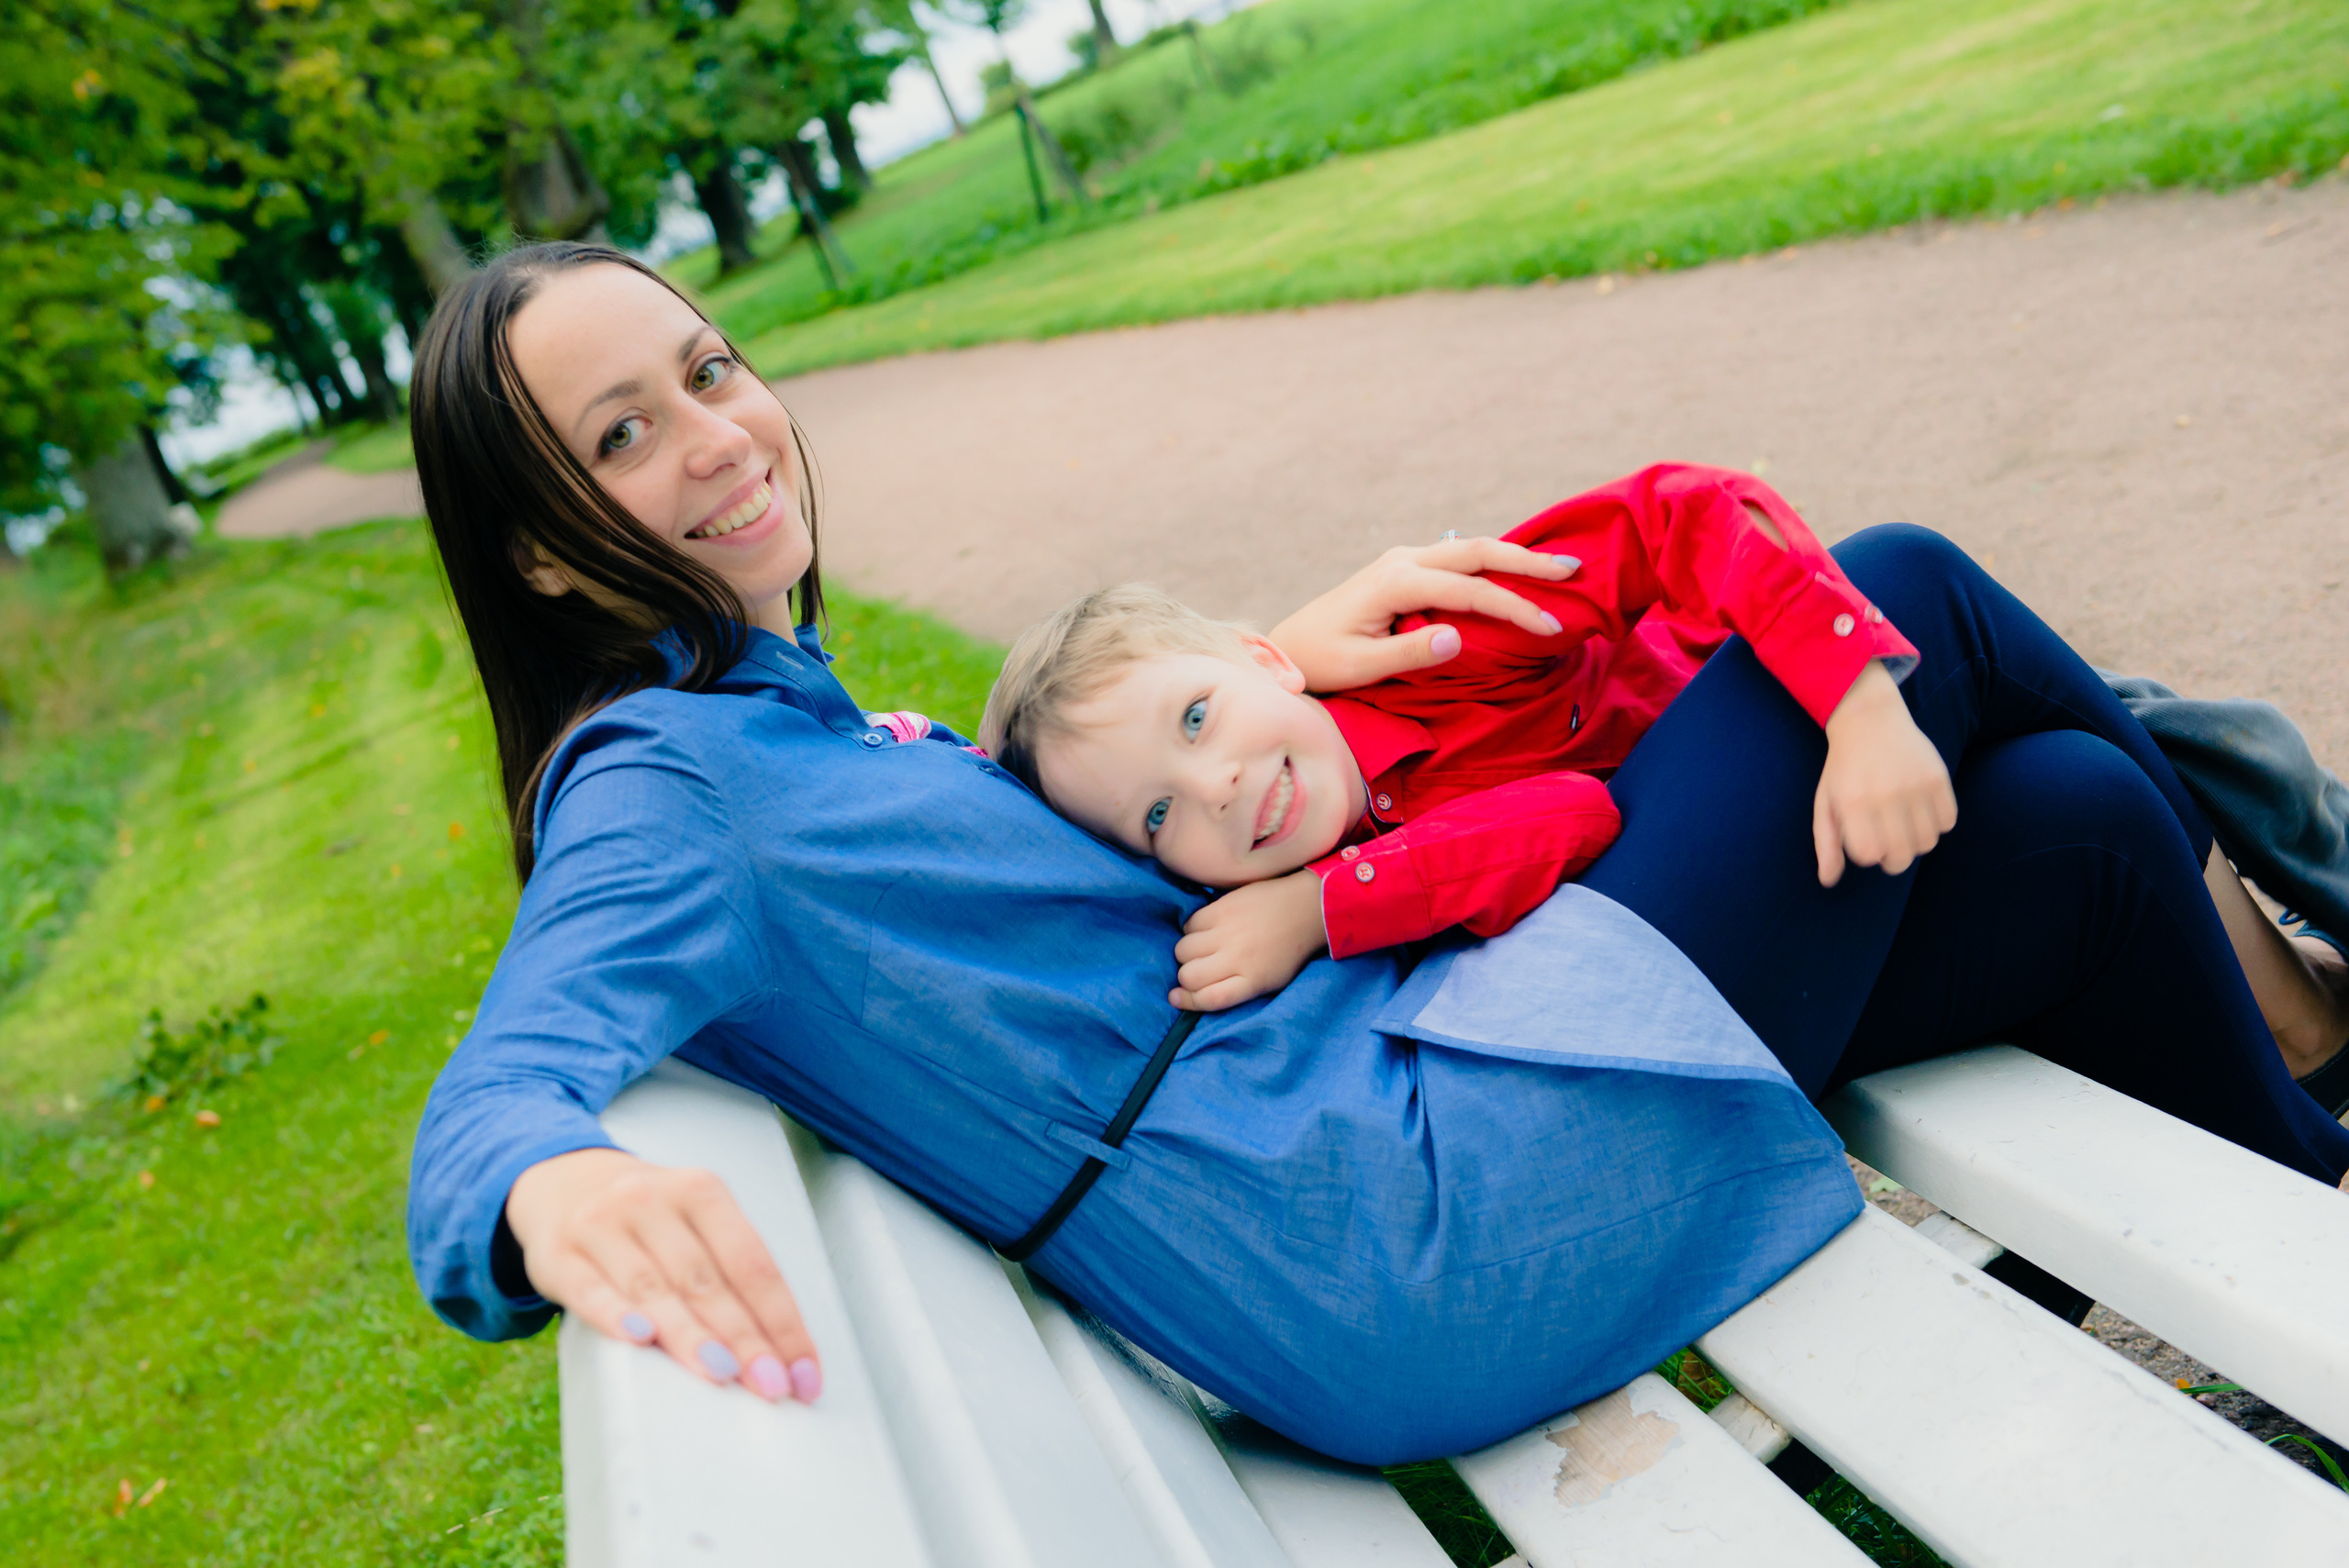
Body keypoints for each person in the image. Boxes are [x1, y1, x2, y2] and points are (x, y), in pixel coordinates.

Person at [404, 241, 2349, 1467]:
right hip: (1440, 1196)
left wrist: (1259, 662)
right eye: (621, 436)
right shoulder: (660, 784)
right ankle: (2306, 963)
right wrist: (541, 1181)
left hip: (1443, 1110)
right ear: (545, 553)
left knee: (2068, 822)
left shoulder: (773, 721)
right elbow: (501, 1078)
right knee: (1898, 589)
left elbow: (1036, 857)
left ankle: (2306, 1195)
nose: (716, 436)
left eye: (709, 370)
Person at [977, 464, 1944, 1011]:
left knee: (1908, 570)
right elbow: (1564, 819)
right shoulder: (1314, 886)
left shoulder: (1432, 646)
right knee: (2039, 809)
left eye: (1196, 717)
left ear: (1265, 657)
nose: (1215, 787)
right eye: (1158, 814)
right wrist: (1316, 906)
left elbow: (1680, 511)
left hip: (1806, 724)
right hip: (1793, 885)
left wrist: (1856, 708)